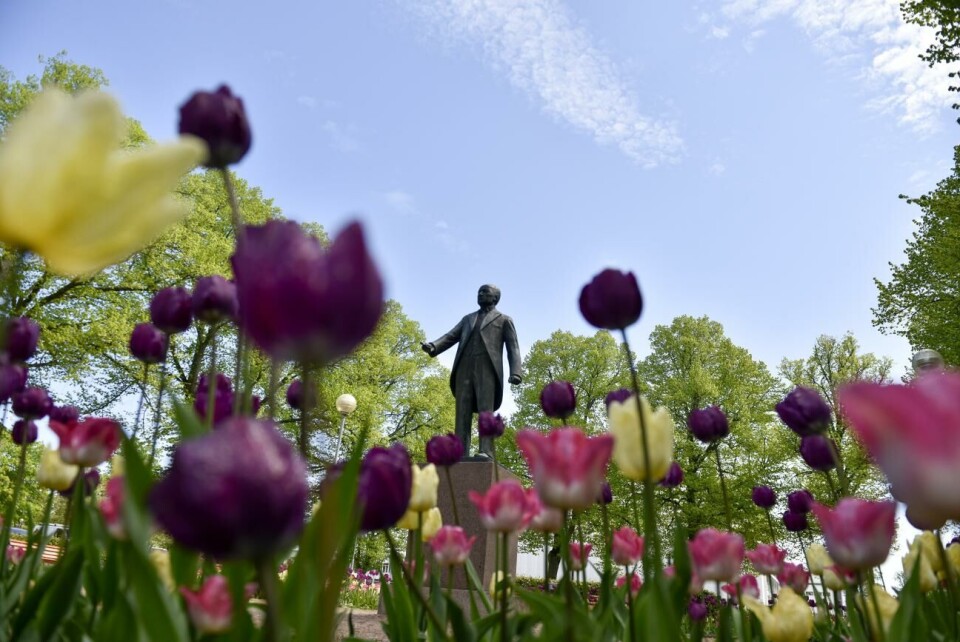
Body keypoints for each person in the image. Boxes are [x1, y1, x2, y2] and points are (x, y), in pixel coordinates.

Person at [421, 284, 522, 458]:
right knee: (462, 411)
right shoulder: (468, 319)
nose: (481, 294)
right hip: (464, 367)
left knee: (485, 410)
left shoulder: (504, 320)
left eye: (485, 292)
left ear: (495, 298)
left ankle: (486, 450)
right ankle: (460, 452)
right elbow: (451, 336)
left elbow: (513, 348)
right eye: (479, 292)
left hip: (487, 368)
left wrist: (516, 372)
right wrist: (434, 346)